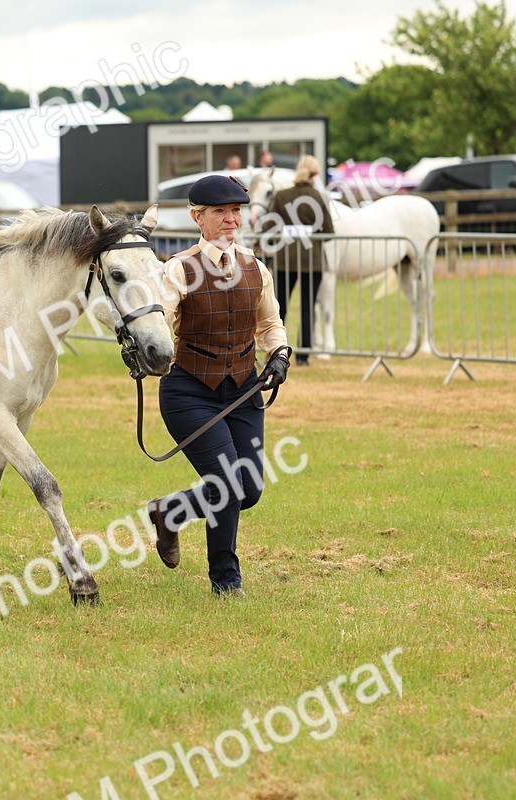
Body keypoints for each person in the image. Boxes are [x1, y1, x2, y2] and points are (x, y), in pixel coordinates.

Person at [145, 174, 291, 597]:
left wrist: (279, 354)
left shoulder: (255, 267)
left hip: (244, 390)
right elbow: (157, 323)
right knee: (227, 482)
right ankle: (226, 581)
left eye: (235, 211)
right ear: (198, 217)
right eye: (219, 212)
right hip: (188, 391)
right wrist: (150, 356)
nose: (230, 220)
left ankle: (170, 511)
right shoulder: (178, 269)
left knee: (250, 490)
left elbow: (269, 323)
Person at [265, 155, 333, 367]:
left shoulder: (282, 196)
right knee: (307, 308)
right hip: (312, 263)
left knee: (280, 308)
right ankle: (303, 356)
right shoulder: (318, 197)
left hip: (285, 261)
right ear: (316, 173)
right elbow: (329, 231)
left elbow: (268, 227)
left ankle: (277, 352)